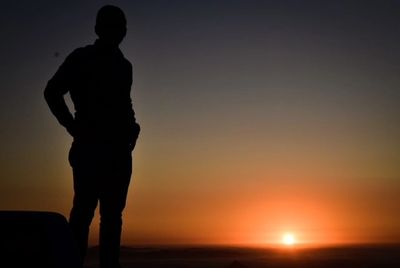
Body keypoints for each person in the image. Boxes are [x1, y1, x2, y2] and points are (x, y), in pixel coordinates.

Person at [44, 5, 140, 268]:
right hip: (90, 151)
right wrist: (72, 126)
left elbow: (124, 103)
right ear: (98, 29)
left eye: (120, 27)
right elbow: (52, 91)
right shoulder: (81, 59)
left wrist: (133, 126)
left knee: (112, 218)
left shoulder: (124, 66)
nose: (117, 32)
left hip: (119, 153)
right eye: (111, 26)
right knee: (83, 214)